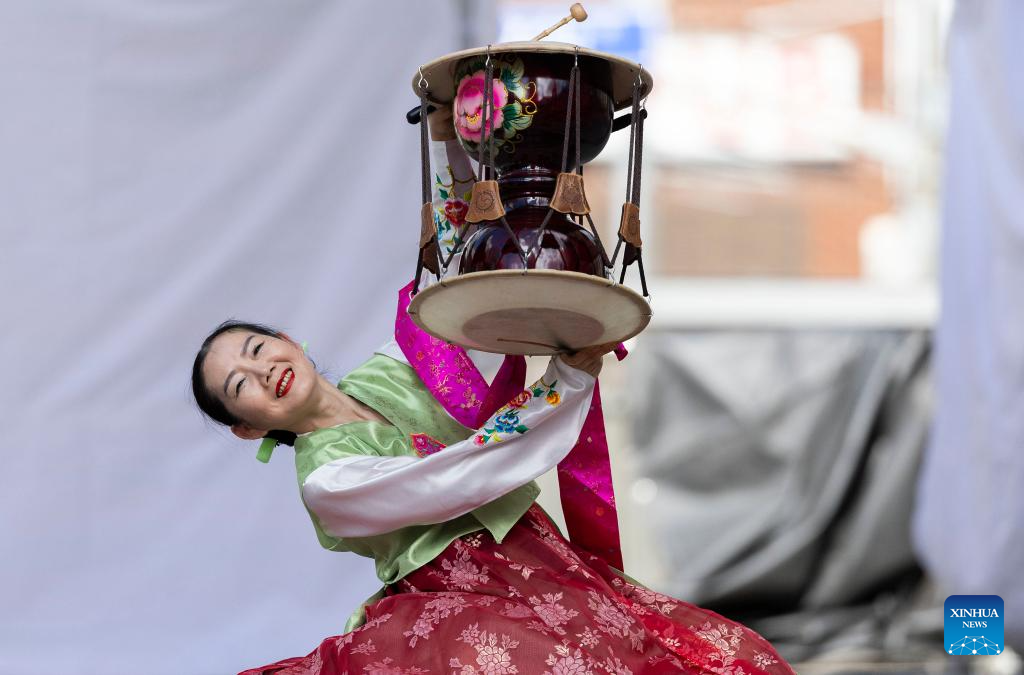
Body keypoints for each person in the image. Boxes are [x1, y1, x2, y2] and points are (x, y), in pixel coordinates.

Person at [192, 320, 796, 674]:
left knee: (728, 657)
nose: (263, 368)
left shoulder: (392, 369)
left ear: (285, 338)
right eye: (239, 384)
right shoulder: (329, 481)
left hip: (541, 559)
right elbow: (466, 471)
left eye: (256, 348)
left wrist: (459, 137)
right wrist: (566, 382)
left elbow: (470, 295)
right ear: (246, 427)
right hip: (460, 591)